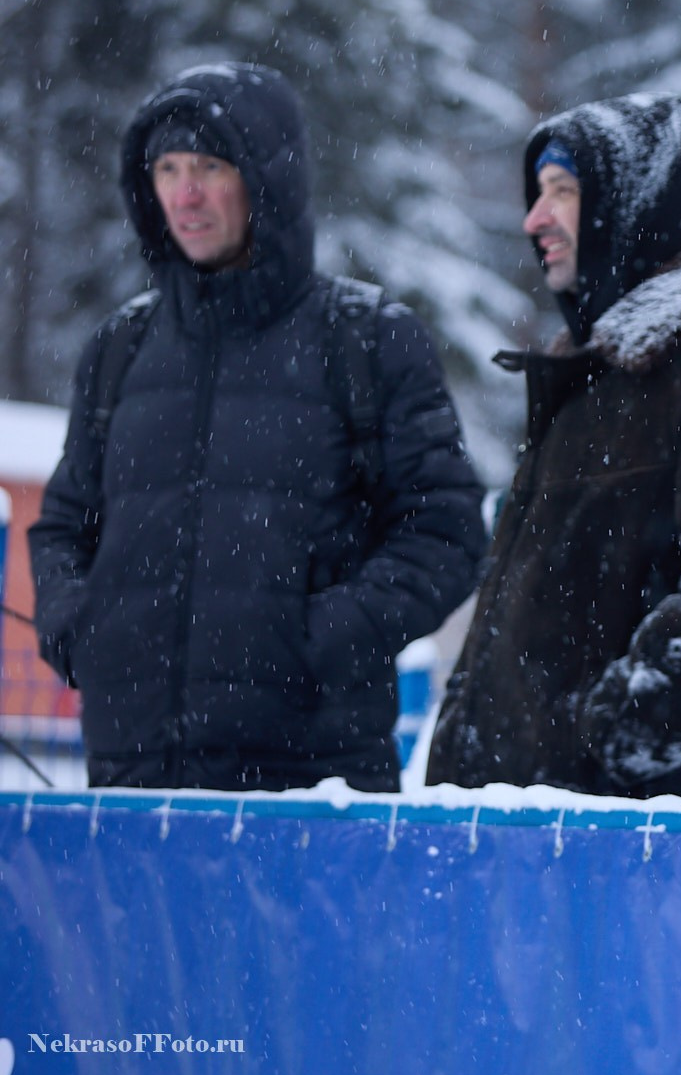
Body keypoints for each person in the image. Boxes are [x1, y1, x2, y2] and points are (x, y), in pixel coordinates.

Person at [28, 63, 485, 792]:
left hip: (311, 783)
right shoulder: (120, 348)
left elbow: (446, 532)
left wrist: (316, 641)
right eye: (168, 169)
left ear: (267, 179)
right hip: (132, 775)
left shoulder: (367, 339)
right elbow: (62, 526)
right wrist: (83, 631)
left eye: (210, 167)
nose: (185, 194)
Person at [426, 94, 681, 808]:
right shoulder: (586, 374)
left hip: (643, 836)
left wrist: (613, 735)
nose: (535, 219)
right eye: (538, 193)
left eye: (563, 192)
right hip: (534, 822)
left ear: (636, 204)